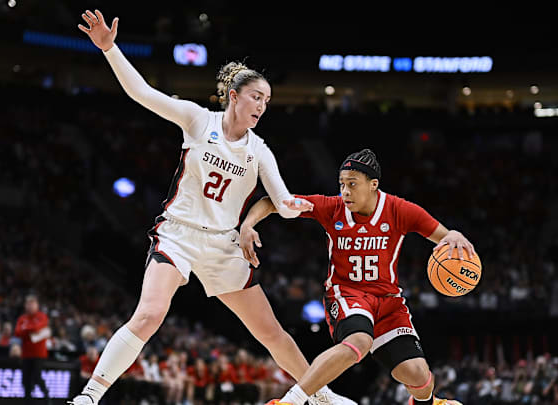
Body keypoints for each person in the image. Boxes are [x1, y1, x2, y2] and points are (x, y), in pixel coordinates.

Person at [70, 9, 355, 405]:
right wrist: (111, 49)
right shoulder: (197, 120)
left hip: (224, 246)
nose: (262, 106)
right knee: (150, 314)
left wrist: (312, 205)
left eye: (268, 101)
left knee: (271, 332)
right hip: (179, 235)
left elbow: (284, 203)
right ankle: (90, 395)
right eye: (256, 96)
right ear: (234, 97)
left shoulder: (259, 151)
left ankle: (319, 395)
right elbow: (142, 93)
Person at [240, 149, 475, 405]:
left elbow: (445, 236)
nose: (345, 191)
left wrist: (454, 235)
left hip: (387, 301)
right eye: (342, 184)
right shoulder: (332, 208)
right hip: (346, 294)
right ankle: (290, 401)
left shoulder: (398, 209)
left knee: (418, 375)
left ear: (373, 185)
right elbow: (272, 201)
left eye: (352, 184)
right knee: (360, 341)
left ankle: (428, 403)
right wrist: (248, 224)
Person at [15, 294, 51, 403]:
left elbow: (37, 327)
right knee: (25, 380)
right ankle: (28, 402)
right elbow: (17, 332)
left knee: (37, 378)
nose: (30, 306)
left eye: (32, 303)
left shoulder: (42, 316)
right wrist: (31, 330)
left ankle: (47, 400)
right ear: (25, 305)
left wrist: (26, 329)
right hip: (26, 354)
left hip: (39, 354)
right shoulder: (22, 318)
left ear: (37, 305)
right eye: (28, 304)